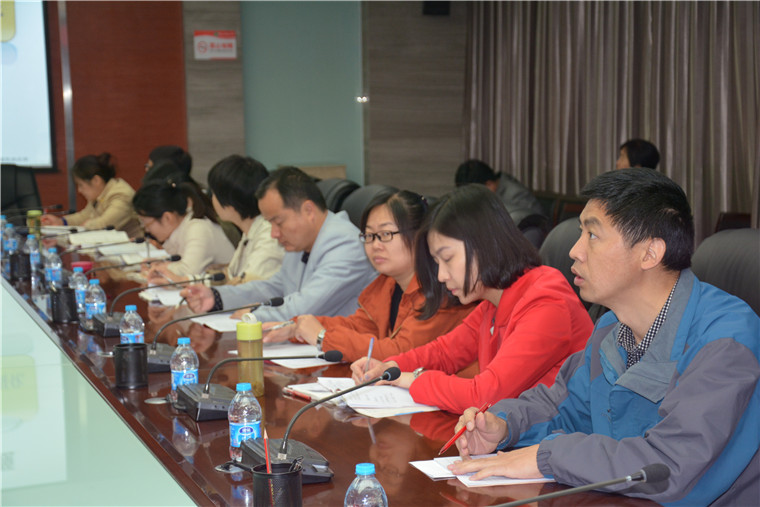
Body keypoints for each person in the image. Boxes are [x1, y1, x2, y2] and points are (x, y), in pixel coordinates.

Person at [450, 169, 760, 506]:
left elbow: (668, 466)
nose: (575, 251)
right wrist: (503, 425)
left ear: (650, 253)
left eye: (592, 235)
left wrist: (548, 456)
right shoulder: (611, 328)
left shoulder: (726, 340)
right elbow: (563, 409)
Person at [351, 185, 593, 414]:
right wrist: (389, 366)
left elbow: (485, 395)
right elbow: (444, 352)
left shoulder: (547, 301)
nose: (441, 276)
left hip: (559, 438)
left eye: (448, 259)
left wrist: (413, 379)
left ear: (484, 245)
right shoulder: (493, 301)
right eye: (437, 262)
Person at [263, 190, 475, 362]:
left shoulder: (441, 289)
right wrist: (297, 327)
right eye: (370, 236)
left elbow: (400, 352)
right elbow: (358, 327)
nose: (375, 245)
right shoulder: (385, 285)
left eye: (385, 234)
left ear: (419, 234)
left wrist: (322, 337)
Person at [180, 167, 377, 322]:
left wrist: (253, 315)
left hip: (343, 356)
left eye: (279, 222)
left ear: (308, 210)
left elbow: (305, 309)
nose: (274, 234)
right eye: (270, 223)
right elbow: (274, 288)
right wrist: (217, 297)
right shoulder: (300, 242)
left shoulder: (346, 245)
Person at [132, 172, 234, 281]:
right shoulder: (182, 228)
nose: (146, 229)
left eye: (145, 223)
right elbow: (178, 263)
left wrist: (158, 267)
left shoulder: (198, 229)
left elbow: (187, 271)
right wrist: (159, 263)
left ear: (167, 218)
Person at [206, 155, 284, 284]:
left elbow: (248, 286)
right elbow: (230, 275)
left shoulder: (269, 236)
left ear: (230, 202)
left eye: (214, 193)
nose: (212, 198)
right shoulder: (250, 231)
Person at [40, 153, 141, 238]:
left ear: (96, 180)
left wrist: (87, 225)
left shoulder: (121, 195)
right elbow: (85, 216)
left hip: (135, 249)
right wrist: (61, 222)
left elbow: (104, 225)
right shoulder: (100, 193)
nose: (79, 190)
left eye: (81, 185)